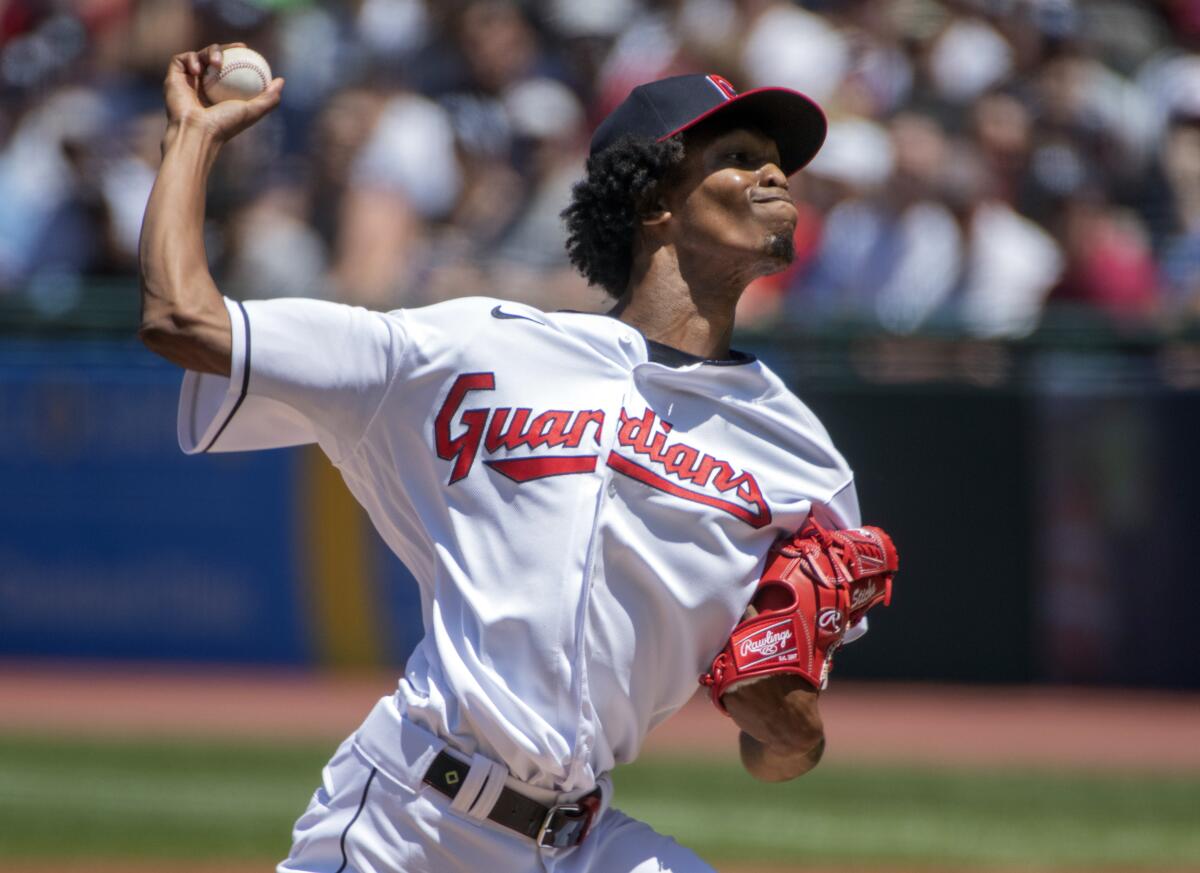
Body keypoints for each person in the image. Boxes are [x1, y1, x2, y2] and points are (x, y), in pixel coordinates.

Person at [140, 45, 865, 873]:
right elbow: (181, 320)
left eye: (778, 166)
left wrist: (791, 728)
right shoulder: (471, 347)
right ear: (656, 200)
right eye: (739, 159)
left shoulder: (802, 457)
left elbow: (776, 744)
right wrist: (190, 139)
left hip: (581, 842)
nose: (776, 180)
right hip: (407, 826)